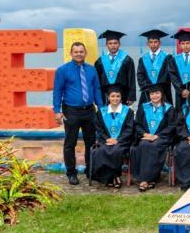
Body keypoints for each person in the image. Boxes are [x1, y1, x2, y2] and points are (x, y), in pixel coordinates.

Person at [53, 41, 104, 185]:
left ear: (85, 53)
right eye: (76, 52)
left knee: (91, 142)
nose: (79, 54)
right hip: (71, 111)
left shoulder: (92, 70)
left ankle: (90, 171)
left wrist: (101, 108)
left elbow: (96, 90)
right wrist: (57, 111)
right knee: (70, 143)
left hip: (89, 111)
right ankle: (71, 173)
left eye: (81, 51)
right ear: (71, 53)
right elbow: (57, 91)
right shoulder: (62, 70)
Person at [130, 84, 177, 191]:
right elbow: (137, 124)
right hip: (146, 137)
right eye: (152, 94)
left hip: (162, 138)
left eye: (157, 93)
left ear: (162, 94)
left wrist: (157, 136)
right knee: (143, 144)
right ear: (149, 95)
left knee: (153, 145)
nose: (154, 96)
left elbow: (172, 126)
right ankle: (151, 179)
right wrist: (145, 134)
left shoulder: (168, 108)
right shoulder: (143, 107)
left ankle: (145, 180)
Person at [90, 85, 135, 188]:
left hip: (122, 142)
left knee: (116, 150)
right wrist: (107, 139)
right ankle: (113, 176)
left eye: (118, 96)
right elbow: (99, 129)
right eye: (113, 96)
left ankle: (112, 177)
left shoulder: (128, 111)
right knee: (100, 151)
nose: (115, 99)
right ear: (108, 97)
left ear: (121, 97)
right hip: (106, 141)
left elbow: (129, 129)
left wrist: (118, 140)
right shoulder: (101, 112)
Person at [136, 29, 179, 106]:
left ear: (160, 43)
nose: (153, 44)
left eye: (155, 42)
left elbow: (169, 75)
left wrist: (158, 89)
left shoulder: (167, 57)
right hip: (147, 92)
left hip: (163, 92)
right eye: (151, 42)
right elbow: (140, 75)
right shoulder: (143, 59)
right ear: (147, 43)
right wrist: (149, 88)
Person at [94, 30, 136, 105]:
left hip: (123, 95)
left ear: (119, 44)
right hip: (105, 96)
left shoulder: (126, 59)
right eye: (110, 43)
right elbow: (97, 80)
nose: (113, 45)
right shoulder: (100, 61)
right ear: (106, 45)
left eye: (115, 43)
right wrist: (97, 96)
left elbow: (131, 79)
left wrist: (131, 96)